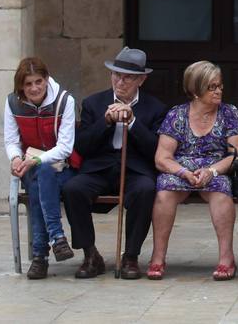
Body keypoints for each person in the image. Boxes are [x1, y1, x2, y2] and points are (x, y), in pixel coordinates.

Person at [61, 46, 168, 280]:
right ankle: (90, 254)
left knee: (146, 190)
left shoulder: (155, 108)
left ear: (141, 79)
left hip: (134, 170)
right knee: (72, 189)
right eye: (116, 75)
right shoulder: (93, 103)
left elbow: (155, 149)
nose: (120, 81)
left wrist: (132, 123)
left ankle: (130, 256)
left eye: (128, 77)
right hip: (99, 170)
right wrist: (106, 121)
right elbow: (82, 146)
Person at [147, 61, 238, 281]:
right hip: (181, 169)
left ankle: (226, 258)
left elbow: (237, 153)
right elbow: (162, 157)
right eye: (211, 87)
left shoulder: (229, 113)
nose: (218, 90)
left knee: (221, 192)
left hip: (215, 169)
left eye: (219, 85)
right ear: (195, 90)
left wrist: (212, 171)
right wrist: (182, 172)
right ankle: (158, 256)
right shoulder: (177, 115)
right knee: (164, 192)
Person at [4, 57, 79, 280]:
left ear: (46, 80)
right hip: (31, 165)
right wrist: (16, 158)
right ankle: (57, 239)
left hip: (63, 166)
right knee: (40, 178)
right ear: (21, 86)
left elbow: (65, 147)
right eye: (28, 84)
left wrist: (37, 161)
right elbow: (11, 140)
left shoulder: (65, 101)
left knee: (42, 175)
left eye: (38, 81)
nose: (34, 88)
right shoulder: (12, 103)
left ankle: (40, 256)